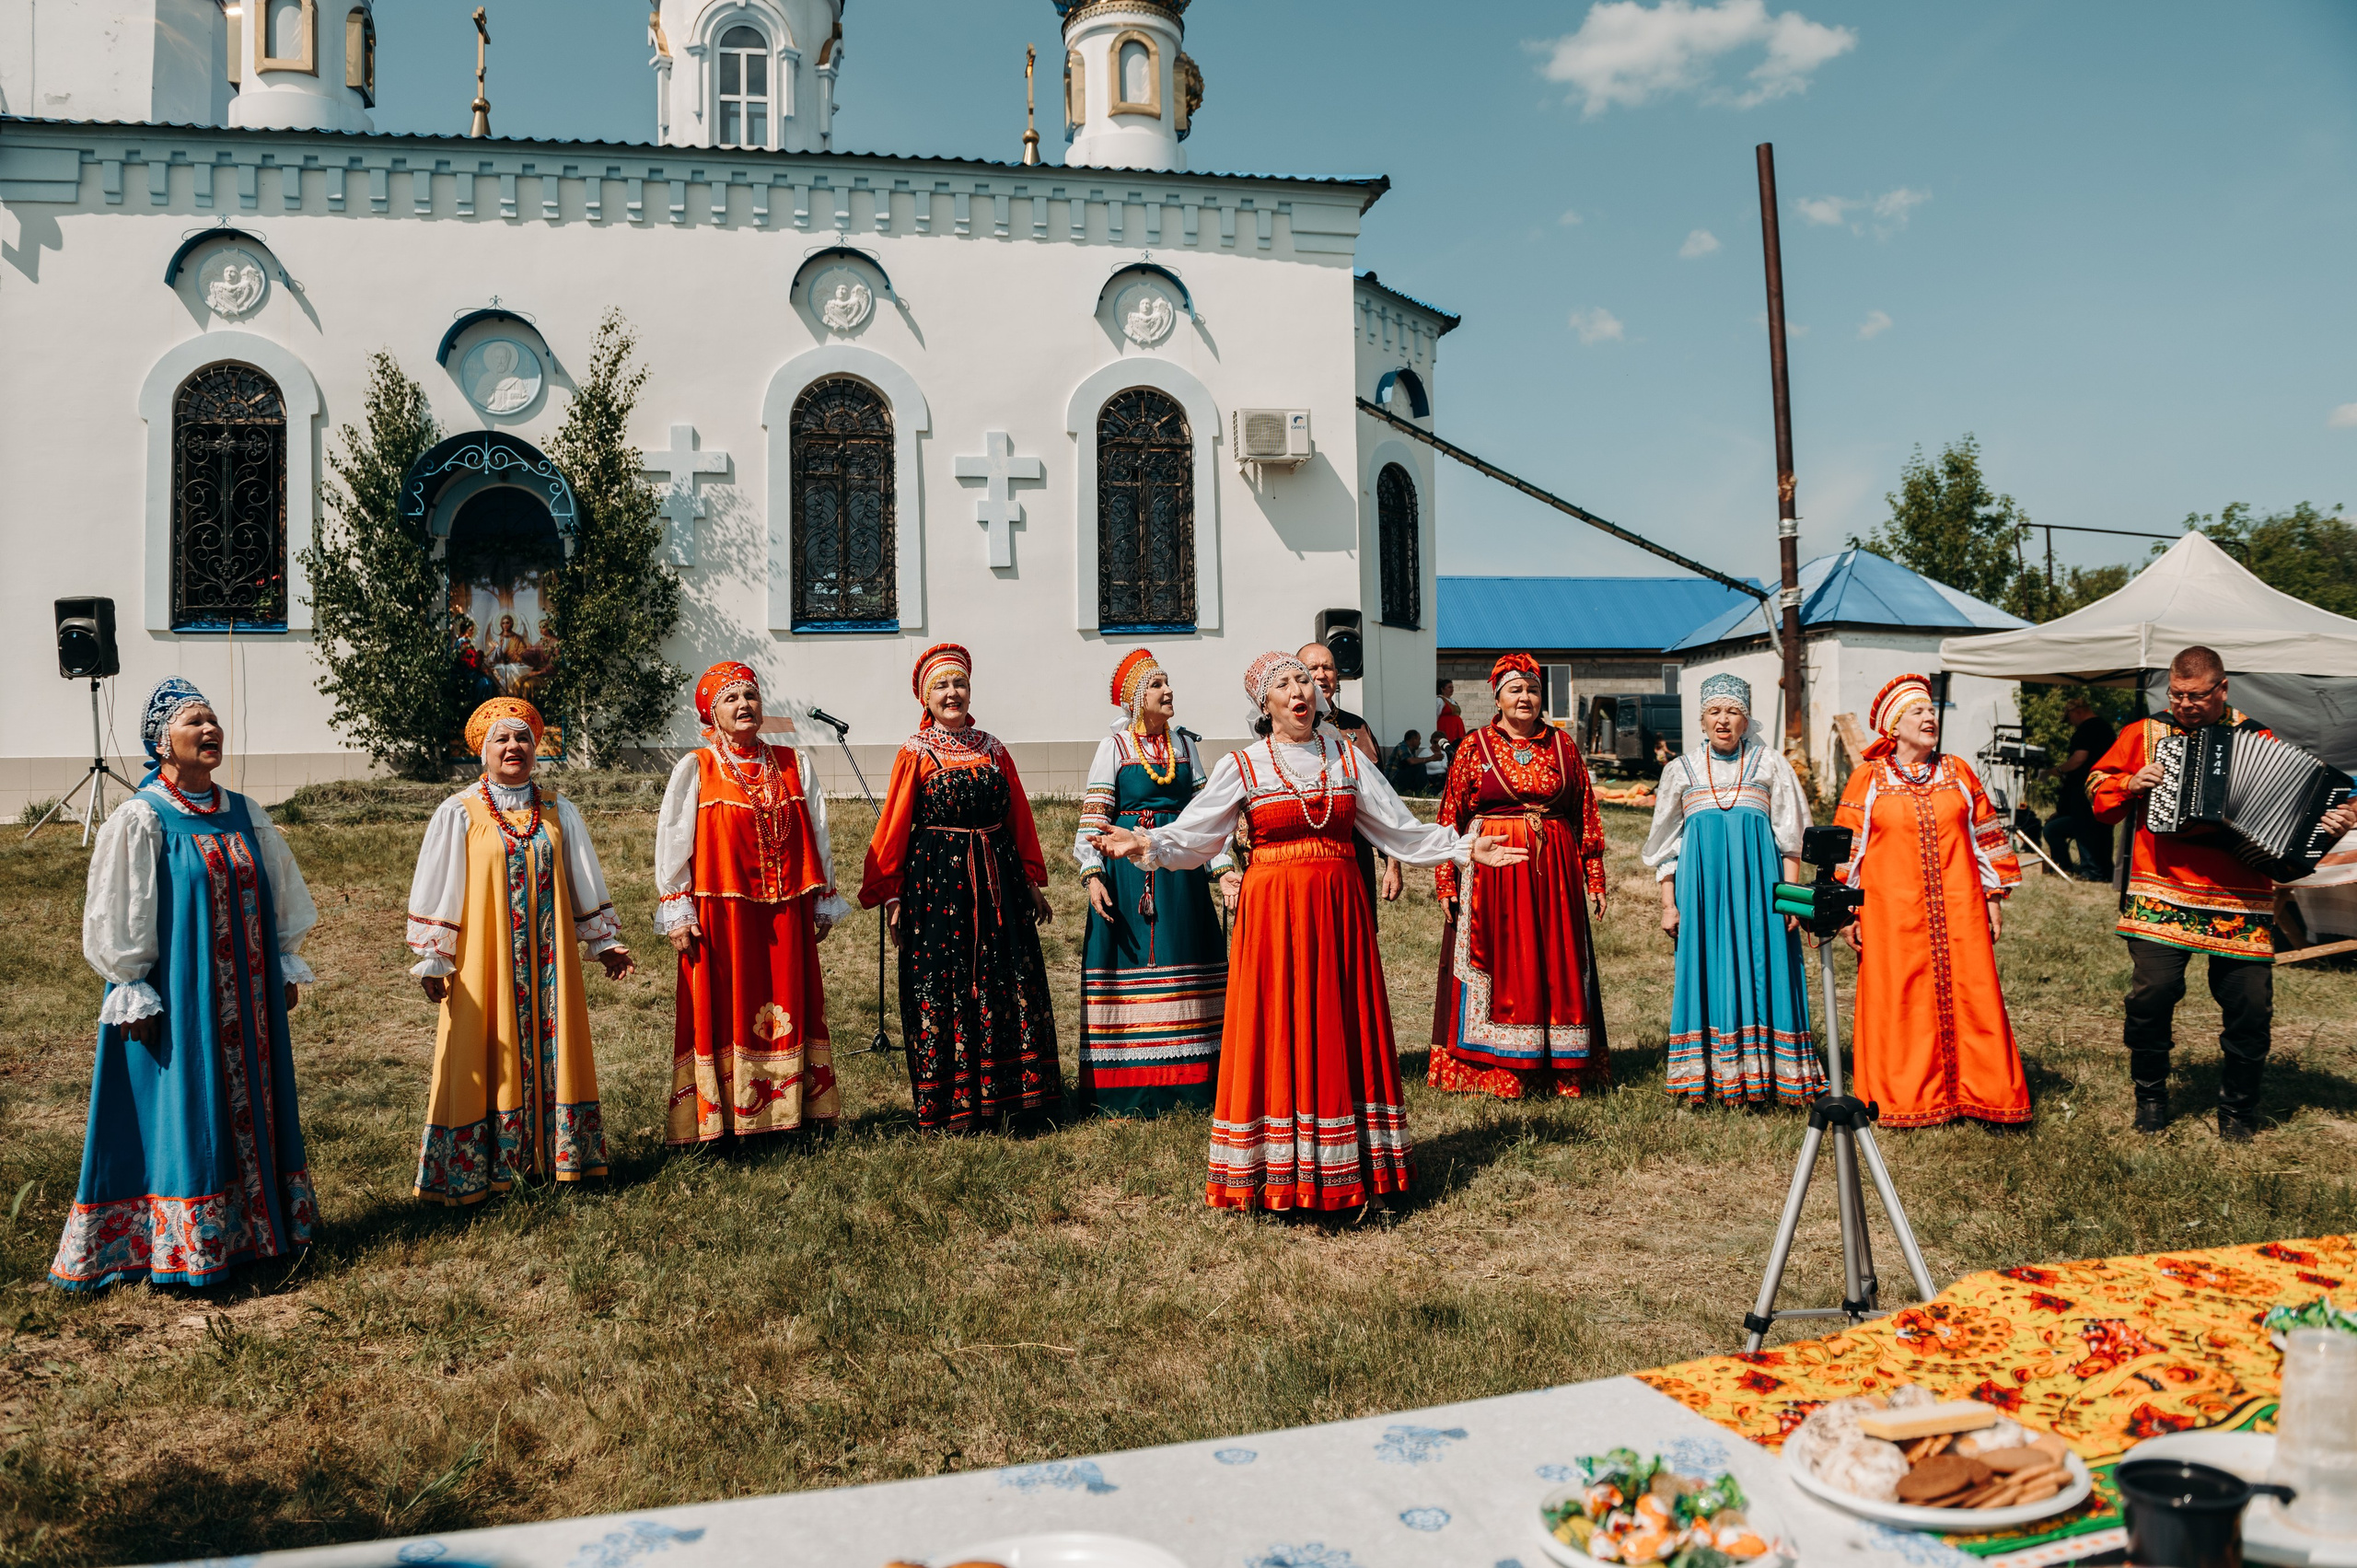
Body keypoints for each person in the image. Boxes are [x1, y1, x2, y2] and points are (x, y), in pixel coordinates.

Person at [1090, 651, 1525, 1214]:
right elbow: (1199, 834)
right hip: (1274, 916)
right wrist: (1146, 844)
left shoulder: (1346, 756)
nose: (1302, 691)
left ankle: (1351, 1163)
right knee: (1279, 1024)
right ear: (1265, 704)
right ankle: (1276, 1167)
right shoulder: (1245, 766)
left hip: (1339, 911)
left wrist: (1464, 847)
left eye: (1306, 682)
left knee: (1339, 1023)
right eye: (1287, 684)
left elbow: (1398, 830)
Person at [49, 679, 320, 1291]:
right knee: (185, 1110)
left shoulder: (245, 812)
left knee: (253, 1103)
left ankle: (257, 1229)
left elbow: (278, 890)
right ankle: (180, 1241)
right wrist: (131, 984)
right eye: (194, 722)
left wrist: (281, 960)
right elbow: (121, 909)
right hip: (180, 1001)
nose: (209, 731)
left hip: (248, 1002)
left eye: (213, 721)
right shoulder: (142, 818)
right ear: (162, 742)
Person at [2087, 646, 2357, 1139]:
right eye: (2177, 694)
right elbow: (2098, 791)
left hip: (2241, 900)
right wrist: (2129, 781)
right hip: (2161, 891)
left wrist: (2333, 825)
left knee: (2251, 1009)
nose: (2185, 704)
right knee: (2151, 997)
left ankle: (2238, 1113)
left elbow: (2299, 827)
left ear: (2223, 689)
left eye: (2196, 695)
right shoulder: (2143, 733)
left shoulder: (2260, 739)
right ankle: (2150, 1098)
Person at [405, 698, 635, 1203]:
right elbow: (441, 888)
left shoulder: (557, 810)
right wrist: (435, 956)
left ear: (537, 748)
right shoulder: (458, 812)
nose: (514, 747)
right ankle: (481, 1167)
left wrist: (605, 941)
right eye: (502, 740)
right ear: (482, 751)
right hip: (482, 963)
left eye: (523, 739)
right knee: (481, 1046)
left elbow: (582, 878)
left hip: (552, 965)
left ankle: (558, 1159)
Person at [860, 644, 1061, 1132]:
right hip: (937, 889)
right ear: (926, 699)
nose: (953, 694)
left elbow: (1019, 817)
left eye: (960, 684)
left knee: (1006, 977)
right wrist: (891, 894)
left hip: (999, 884)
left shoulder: (993, 748)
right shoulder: (915, 752)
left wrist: (1032, 880)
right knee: (945, 985)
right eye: (942, 687)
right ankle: (952, 1103)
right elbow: (893, 827)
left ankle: (1015, 1099)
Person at [654, 662, 853, 1146]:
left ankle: (789, 1114)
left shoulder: (792, 763)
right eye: (731, 699)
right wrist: (678, 906)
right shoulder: (696, 768)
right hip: (722, 913)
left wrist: (822, 895)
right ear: (712, 713)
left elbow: (818, 832)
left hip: (786, 910)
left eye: (751, 696)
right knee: (725, 1006)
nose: (744, 706)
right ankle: (722, 1121)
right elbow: (674, 842)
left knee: (790, 1001)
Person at [1833, 675, 2031, 1130]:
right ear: (1893, 727)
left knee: (1972, 996)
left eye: (1930, 710)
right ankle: (1908, 1099)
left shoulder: (1958, 771)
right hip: (1892, 915)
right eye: (1917, 711)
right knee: (1901, 1002)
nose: (1929, 717)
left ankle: (1980, 1095)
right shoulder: (1870, 780)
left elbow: (1984, 836)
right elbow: (1847, 850)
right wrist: (1848, 911)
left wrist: (1993, 898)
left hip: (1960, 911)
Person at [1428, 654, 1611, 1099]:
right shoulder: (1474, 746)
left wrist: (1594, 876)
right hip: (1492, 874)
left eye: (1532, 689)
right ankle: (1497, 1067)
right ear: (1497, 696)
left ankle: (1559, 1066)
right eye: (1515, 689)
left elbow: (1584, 811)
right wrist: (1446, 878)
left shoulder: (1563, 746)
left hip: (1555, 870)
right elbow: (1450, 814)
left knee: (1555, 960)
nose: (1525, 697)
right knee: (1500, 960)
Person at [1641, 673, 1824, 1108]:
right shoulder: (1679, 771)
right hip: (1701, 893)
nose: (1723, 721)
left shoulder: (1770, 765)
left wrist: (1791, 900)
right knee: (1707, 969)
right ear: (1702, 720)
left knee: (1767, 968)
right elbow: (1665, 846)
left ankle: (1773, 1077)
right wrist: (1669, 905)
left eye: (1733, 712)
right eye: (1715, 712)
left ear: (1747, 720)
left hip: (1760, 894)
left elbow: (1791, 839)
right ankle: (1708, 1076)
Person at [1073, 649, 1238, 1117]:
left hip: (1178, 872)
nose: (1168, 692)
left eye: (1168, 683)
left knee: (1185, 955)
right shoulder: (1115, 748)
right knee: (1129, 965)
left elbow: (1210, 818)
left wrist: (1222, 869)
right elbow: (1094, 818)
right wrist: (1092, 875)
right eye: (1157, 685)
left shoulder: (1186, 747)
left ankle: (1193, 1082)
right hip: (1126, 875)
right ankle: (1126, 1088)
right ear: (1134, 699)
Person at [1300, 641, 1403, 908]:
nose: (1322, 675)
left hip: (1355, 850)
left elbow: (1382, 800)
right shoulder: (1286, 728)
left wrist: (1392, 861)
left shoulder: (1357, 727)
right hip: (1306, 853)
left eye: (1329, 668)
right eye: (1313, 668)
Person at [2042, 697, 2117, 881]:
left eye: (2069, 719)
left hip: (2085, 791)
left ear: (2077, 712)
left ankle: (2089, 872)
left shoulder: (2087, 729)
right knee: (2101, 831)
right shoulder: (2106, 728)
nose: (2071, 724)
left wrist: (2056, 771)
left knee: (2084, 829)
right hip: (2103, 788)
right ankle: (2105, 871)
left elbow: (2079, 759)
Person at [1435, 678, 1467, 749]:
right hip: (1447, 727)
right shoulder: (1440, 700)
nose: (1452, 689)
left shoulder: (1452, 701)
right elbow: (1436, 716)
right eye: (1449, 687)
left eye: (1452, 687)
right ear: (1442, 689)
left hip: (1456, 728)